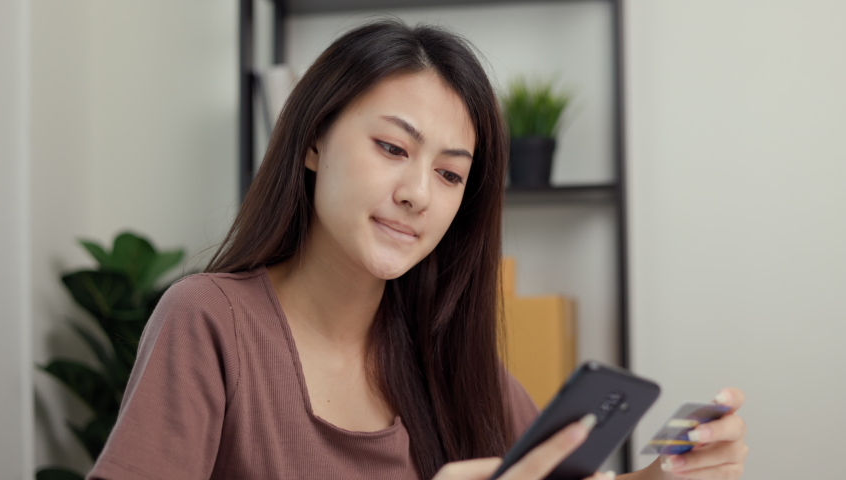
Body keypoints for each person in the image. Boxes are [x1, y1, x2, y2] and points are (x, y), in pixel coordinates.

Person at [88, 19, 747, 480]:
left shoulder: (454, 357)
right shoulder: (210, 320)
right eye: (393, 149)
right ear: (313, 141)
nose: (418, 194)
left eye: (450, 174)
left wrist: (667, 476)